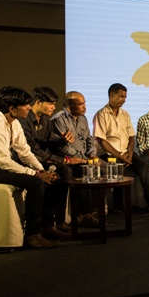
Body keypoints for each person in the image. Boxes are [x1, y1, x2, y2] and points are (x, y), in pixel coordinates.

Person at [0, 86, 59, 249]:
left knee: (49, 176)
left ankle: (47, 227)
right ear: (12, 109)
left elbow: (24, 151)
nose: (29, 107)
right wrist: (36, 175)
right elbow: (3, 161)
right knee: (36, 183)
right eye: (25, 105)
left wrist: (41, 169)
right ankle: (32, 235)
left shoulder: (14, 123)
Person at [16, 86, 85, 241]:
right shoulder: (24, 121)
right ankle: (47, 224)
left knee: (67, 171)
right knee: (63, 169)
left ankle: (56, 223)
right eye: (51, 103)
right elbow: (31, 150)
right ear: (38, 102)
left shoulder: (45, 121)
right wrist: (64, 160)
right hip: (24, 161)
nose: (54, 107)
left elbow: (51, 142)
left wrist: (63, 140)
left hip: (40, 160)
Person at [93, 83, 149, 212]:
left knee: (143, 165)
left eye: (125, 97)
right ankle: (119, 207)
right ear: (111, 95)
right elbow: (102, 141)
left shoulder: (125, 114)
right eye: (121, 96)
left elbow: (131, 137)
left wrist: (130, 153)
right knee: (118, 168)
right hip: (108, 154)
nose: (123, 100)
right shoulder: (101, 115)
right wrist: (119, 156)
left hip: (126, 152)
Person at [51, 91, 100, 227]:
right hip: (68, 159)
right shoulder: (59, 119)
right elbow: (63, 147)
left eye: (85, 103)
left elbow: (90, 139)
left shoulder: (82, 118)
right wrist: (81, 158)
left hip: (84, 157)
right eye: (80, 104)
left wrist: (92, 154)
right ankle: (85, 214)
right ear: (70, 105)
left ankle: (95, 210)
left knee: (105, 168)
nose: (84, 107)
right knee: (86, 171)